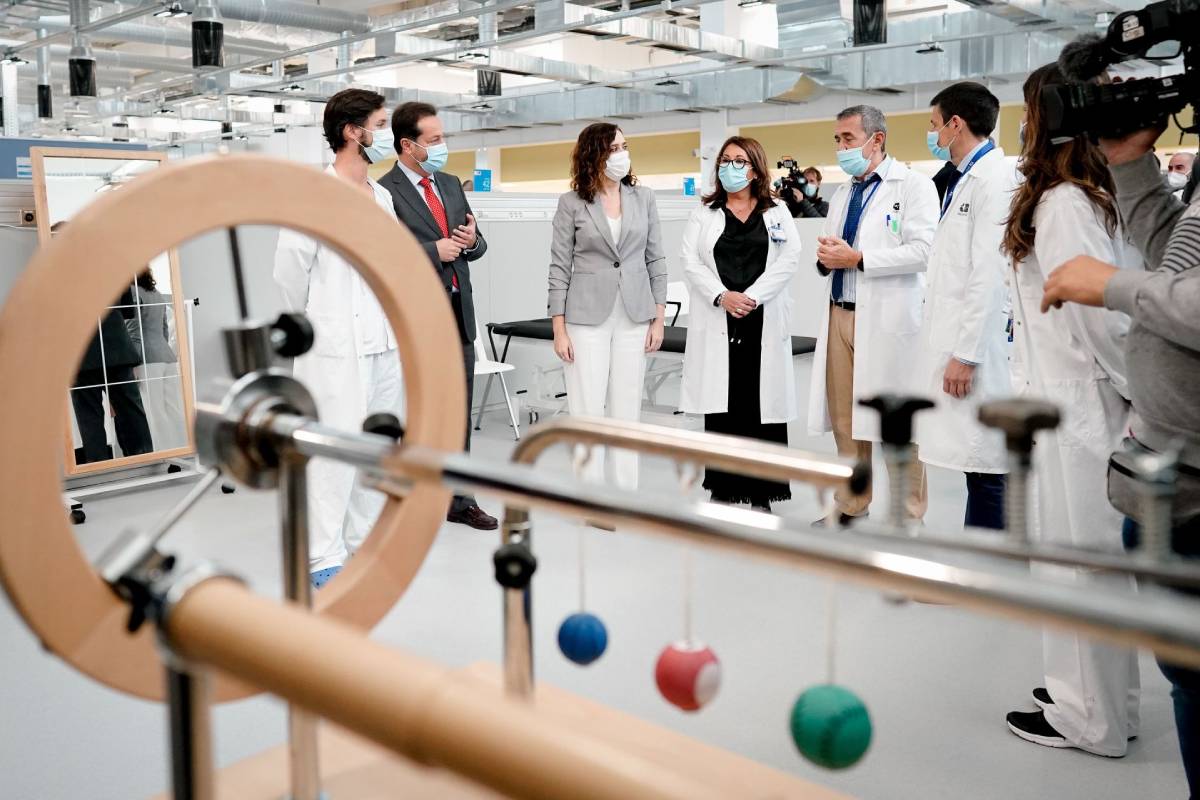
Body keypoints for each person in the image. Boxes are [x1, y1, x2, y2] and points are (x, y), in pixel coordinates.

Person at [1041, 121, 1200, 794]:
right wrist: (1134, 165)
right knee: (1188, 673)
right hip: (1172, 473)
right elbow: (1179, 268)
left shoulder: (1068, 206)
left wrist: (1109, 283)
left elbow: (1158, 300)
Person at [999, 63, 1141, 757]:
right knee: (1088, 565)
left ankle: (1094, 721)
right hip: (1068, 394)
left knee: (1078, 565)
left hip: (1077, 402)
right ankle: (1108, 705)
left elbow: (1098, 319)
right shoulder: (1079, 198)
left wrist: (1134, 394)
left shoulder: (1062, 205)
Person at [274, 87, 405, 588]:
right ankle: (322, 559)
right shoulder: (314, 195)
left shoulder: (384, 197)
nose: (386, 134)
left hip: (381, 344)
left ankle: (363, 545)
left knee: (375, 450)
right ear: (353, 132)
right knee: (331, 456)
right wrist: (318, 324)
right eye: (379, 123)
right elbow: (289, 274)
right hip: (333, 348)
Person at [807, 105, 939, 526]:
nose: (841, 147)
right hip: (840, 314)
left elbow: (923, 252)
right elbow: (833, 251)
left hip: (886, 319)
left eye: (847, 139)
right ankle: (851, 502)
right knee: (845, 420)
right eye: (838, 139)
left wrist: (859, 257)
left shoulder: (915, 187)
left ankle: (908, 513)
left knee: (897, 423)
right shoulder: (844, 192)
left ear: (876, 140)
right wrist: (828, 259)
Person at [378, 102, 497, 532]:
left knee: (457, 410)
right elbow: (384, 255)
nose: (442, 146)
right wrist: (433, 251)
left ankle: (459, 498)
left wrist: (470, 240)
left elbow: (477, 244)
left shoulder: (448, 183)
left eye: (443, 137)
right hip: (415, 317)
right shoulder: (384, 191)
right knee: (417, 411)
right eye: (434, 140)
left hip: (457, 314)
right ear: (407, 146)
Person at [679, 136, 802, 511]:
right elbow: (690, 261)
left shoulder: (777, 210)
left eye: (739, 161)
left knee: (760, 407)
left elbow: (790, 257)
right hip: (721, 315)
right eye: (726, 160)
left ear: (755, 168)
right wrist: (722, 296)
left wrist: (752, 297)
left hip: (759, 317)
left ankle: (763, 492)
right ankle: (724, 486)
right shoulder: (705, 212)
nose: (731, 167)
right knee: (725, 406)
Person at [914, 81, 1014, 531]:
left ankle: (986, 574)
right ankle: (981, 568)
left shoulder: (994, 180)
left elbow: (988, 274)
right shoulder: (963, 180)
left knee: (988, 462)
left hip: (980, 349)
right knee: (979, 463)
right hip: (961, 338)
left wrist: (967, 353)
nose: (933, 135)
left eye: (935, 125)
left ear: (957, 124)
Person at [547, 122, 666, 489]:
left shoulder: (643, 198)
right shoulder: (571, 203)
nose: (622, 155)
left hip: (634, 313)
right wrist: (559, 328)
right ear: (595, 154)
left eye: (625, 147)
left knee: (627, 405)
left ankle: (624, 492)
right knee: (587, 406)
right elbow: (558, 265)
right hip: (585, 317)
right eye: (614, 149)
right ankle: (589, 494)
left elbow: (656, 259)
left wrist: (658, 319)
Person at [54, 221, 154, 465]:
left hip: (80, 356)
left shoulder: (56, 272)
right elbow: (128, 310)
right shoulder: (109, 264)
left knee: (89, 417)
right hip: (116, 350)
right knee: (131, 411)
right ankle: (143, 461)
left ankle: (98, 468)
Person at [125, 269, 185, 452]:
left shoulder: (132, 292)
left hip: (147, 358)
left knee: (155, 410)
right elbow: (165, 329)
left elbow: (134, 332)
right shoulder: (156, 294)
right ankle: (182, 448)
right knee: (173, 408)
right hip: (167, 356)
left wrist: (133, 362)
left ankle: (164, 453)